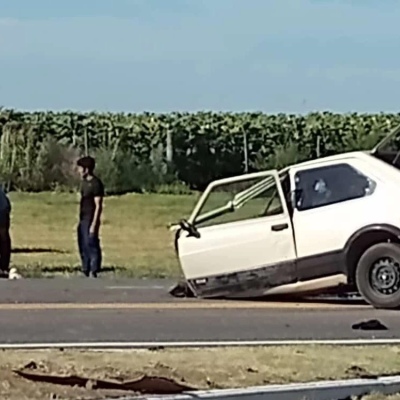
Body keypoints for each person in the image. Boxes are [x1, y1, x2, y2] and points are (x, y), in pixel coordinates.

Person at [76, 156, 104, 278]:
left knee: (91, 242)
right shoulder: (83, 184)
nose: (78, 171)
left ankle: (94, 268)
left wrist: (94, 223)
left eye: (80, 168)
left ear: (86, 169)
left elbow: (98, 205)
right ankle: (85, 267)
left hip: (90, 217)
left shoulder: (96, 184)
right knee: (82, 242)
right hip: (82, 217)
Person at [0, 185, 12, 278]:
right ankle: (4, 266)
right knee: (3, 236)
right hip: (3, 206)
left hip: (2, 208)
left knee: (3, 236)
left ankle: (4, 266)